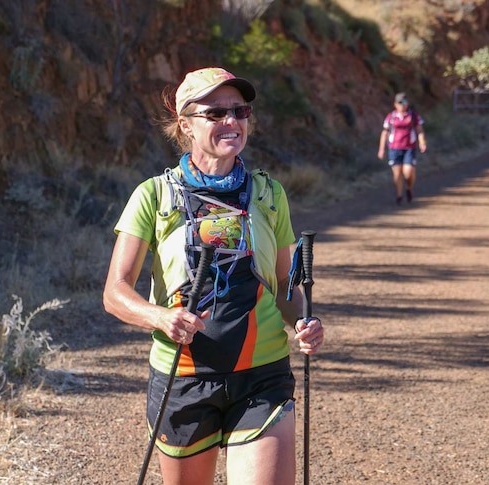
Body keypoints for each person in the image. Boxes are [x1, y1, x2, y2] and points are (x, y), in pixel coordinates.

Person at [102, 66, 325, 485]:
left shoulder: (268, 194)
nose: (231, 122)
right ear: (185, 124)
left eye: (240, 111)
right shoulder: (153, 195)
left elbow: (282, 289)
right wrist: (161, 318)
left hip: (263, 373)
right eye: (216, 113)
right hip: (183, 376)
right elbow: (115, 293)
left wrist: (302, 321)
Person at [377, 92, 427, 205]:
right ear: (395, 104)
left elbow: (420, 130)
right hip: (394, 148)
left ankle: (409, 188)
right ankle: (399, 195)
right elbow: (384, 133)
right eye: (400, 103)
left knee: (408, 172)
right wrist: (381, 149)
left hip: (409, 147)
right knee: (397, 174)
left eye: (404, 103)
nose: (403, 105)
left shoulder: (413, 115)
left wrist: (422, 142)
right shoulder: (391, 117)